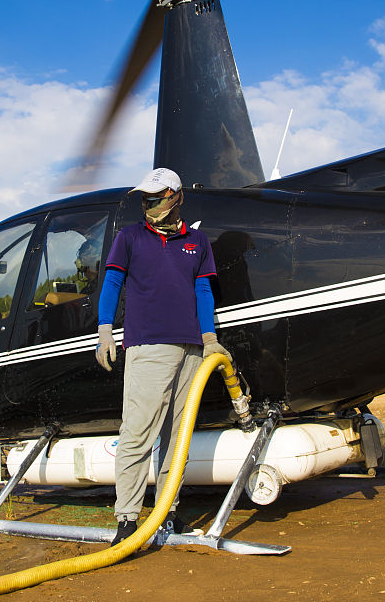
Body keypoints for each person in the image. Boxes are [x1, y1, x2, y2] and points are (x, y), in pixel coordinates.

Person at [96, 167, 231, 546]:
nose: (149, 203)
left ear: (176, 196)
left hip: (191, 348)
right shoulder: (130, 237)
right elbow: (112, 282)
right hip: (148, 345)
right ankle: (127, 519)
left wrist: (210, 338)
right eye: (145, 197)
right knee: (138, 432)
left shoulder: (197, 242)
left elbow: (204, 292)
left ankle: (167, 512)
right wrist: (105, 329)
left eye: (156, 196)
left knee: (178, 437)